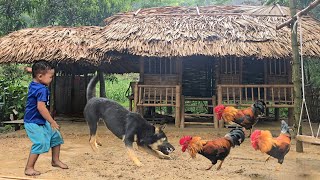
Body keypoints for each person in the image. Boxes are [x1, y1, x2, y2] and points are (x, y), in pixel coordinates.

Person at [24, 60, 68, 176]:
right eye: (51, 77)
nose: (51, 79)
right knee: (40, 142)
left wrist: (30, 70)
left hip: (40, 120)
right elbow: (41, 108)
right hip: (33, 122)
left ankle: (55, 160)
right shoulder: (41, 89)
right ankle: (29, 168)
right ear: (40, 76)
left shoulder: (35, 83)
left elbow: (37, 74)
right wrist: (52, 121)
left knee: (56, 136)